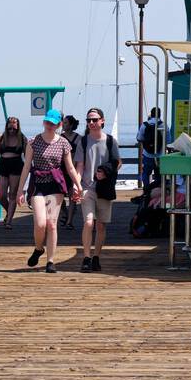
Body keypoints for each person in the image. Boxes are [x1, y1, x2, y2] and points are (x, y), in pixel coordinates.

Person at [17, 109, 82, 274]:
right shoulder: (33, 142)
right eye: (47, 122)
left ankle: (51, 261)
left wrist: (78, 185)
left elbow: (70, 167)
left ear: (59, 125)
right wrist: (20, 191)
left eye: (53, 123)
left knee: (52, 224)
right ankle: (39, 249)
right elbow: (26, 167)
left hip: (55, 184)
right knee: (40, 223)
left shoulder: (63, 143)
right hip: (38, 183)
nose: (49, 125)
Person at [76, 108, 121, 273]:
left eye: (94, 120)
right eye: (88, 120)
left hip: (104, 188)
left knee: (101, 226)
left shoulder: (110, 141)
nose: (91, 123)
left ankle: (96, 257)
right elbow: (79, 165)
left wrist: (105, 172)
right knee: (88, 222)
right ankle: (86, 258)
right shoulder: (82, 141)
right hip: (88, 188)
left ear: (102, 121)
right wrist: (77, 184)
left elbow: (117, 162)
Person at [0, 116, 27, 229]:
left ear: (18, 127)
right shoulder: (1, 137)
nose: (12, 131)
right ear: (6, 127)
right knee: (1, 196)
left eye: (14, 129)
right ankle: (9, 212)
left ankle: (9, 221)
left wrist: (29, 168)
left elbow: (27, 155)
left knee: (12, 195)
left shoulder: (22, 138)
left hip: (16, 165)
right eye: (10, 128)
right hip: (3, 165)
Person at [59, 116, 83, 229]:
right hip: (60, 169)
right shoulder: (59, 138)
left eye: (65, 123)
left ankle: (69, 221)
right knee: (59, 194)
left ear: (71, 124)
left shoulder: (78, 138)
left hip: (73, 168)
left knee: (72, 195)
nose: (63, 124)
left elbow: (81, 155)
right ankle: (64, 212)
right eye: (63, 122)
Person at [137, 107, 165, 191]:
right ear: (160, 114)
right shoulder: (163, 125)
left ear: (151, 114)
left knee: (145, 173)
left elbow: (139, 138)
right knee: (159, 174)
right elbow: (168, 140)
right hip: (160, 155)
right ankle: (156, 190)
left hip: (147, 154)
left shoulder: (144, 125)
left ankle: (146, 188)